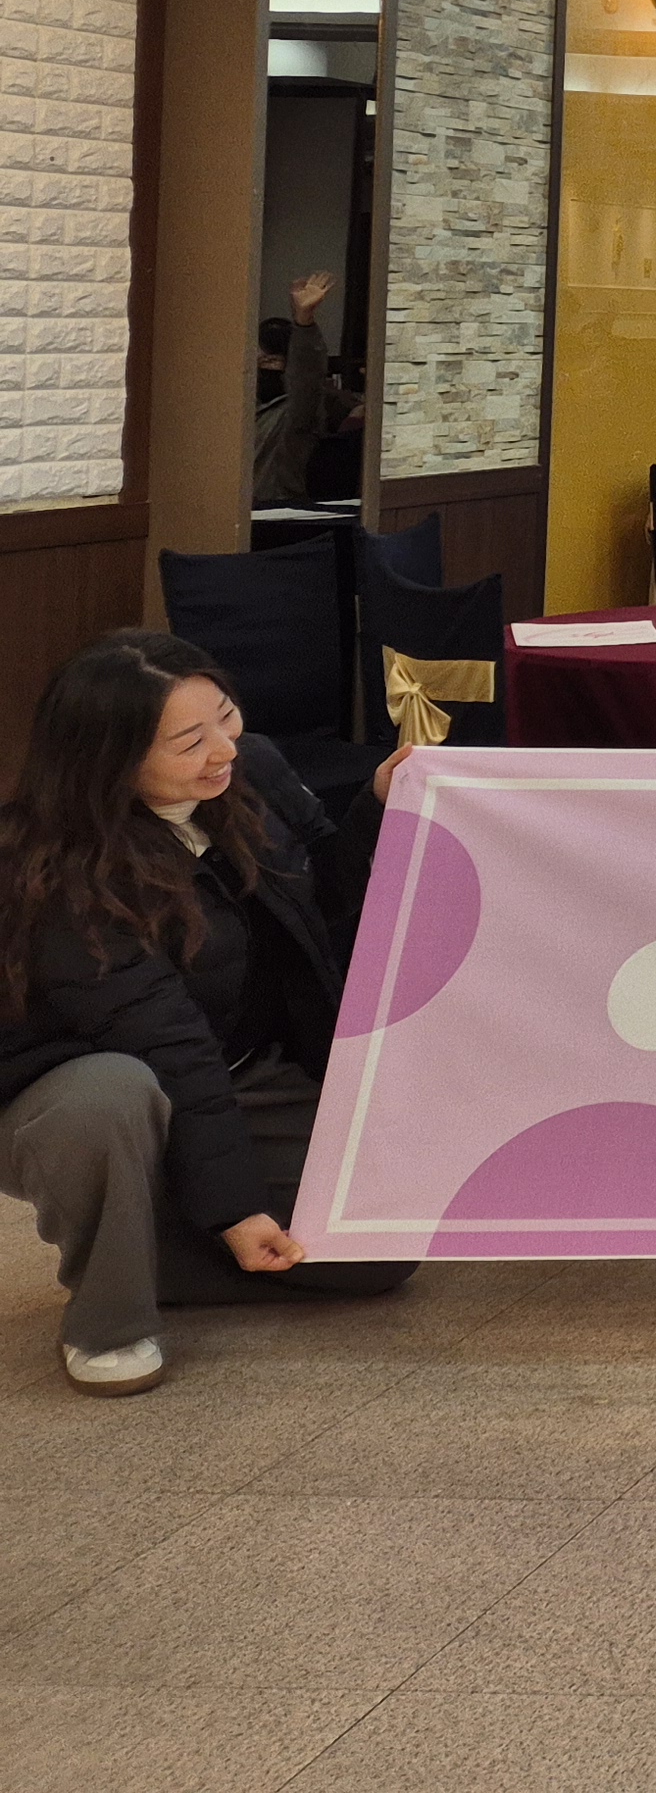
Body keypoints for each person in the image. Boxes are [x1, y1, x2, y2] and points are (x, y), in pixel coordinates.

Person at [2, 634, 415, 1396]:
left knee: (381, 1248)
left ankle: (140, 1243)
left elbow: (319, 897)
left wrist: (378, 805)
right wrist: (235, 1211)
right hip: (78, 1093)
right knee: (111, 1092)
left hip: (237, 1069)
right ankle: (108, 1319)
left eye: (225, 716)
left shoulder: (249, 771)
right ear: (112, 761)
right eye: (190, 741)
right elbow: (165, 1042)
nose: (224, 748)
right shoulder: (60, 870)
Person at [249, 272, 336, 508]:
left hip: (274, 512)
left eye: (271, 361)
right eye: (260, 361)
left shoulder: (294, 414)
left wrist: (304, 321)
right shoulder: (241, 408)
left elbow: (307, 381)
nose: (262, 368)